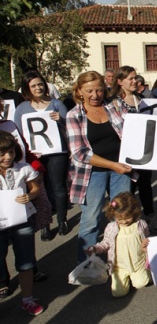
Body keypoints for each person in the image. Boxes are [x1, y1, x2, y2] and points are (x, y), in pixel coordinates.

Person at [67, 71, 133, 262]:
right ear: (79, 91)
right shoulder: (74, 115)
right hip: (91, 173)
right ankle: (87, 263)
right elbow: (79, 153)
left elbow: (135, 126)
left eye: (99, 90)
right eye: (89, 91)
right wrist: (113, 165)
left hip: (120, 170)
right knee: (91, 219)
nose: (95, 95)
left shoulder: (114, 106)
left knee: (122, 215)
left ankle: (121, 258)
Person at [15, 70, 70, 238]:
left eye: (40, 84)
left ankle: (62, 220)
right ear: (27, 88)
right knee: (40, 189)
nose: (38, 88)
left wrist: (60, 120)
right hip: (35, 155)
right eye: (33, 86)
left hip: (57, 152)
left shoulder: (56, 104)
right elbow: (18, 133)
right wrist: (28, 152)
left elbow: (70, 126)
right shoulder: (22, 108)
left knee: (58, 187)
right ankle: (45, 223)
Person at [109, 66, 157, 233]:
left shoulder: (142, 99)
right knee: (128, 188)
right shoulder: (114, 102)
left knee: (145, 185)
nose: (135, 81)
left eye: (135, 78)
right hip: (125, 152)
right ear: (119, 81)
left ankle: (149, 216)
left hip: (144, 150)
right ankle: (128, 221)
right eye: (130, 79)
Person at [0, 131, 44, 316]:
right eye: (2, 153)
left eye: (10, 152)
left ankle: (28, 299)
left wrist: (30, 195)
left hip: (21, 220)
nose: (8, 157)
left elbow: (35, 187)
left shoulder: (23, 168)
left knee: (25, 262)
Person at [86, 192, 151, 297]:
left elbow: (147, 237)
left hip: (138, 262)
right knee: (118, 293)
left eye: (127, 217)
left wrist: (146, 245)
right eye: (120, 219)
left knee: (141, 283)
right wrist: (95, 248)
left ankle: (145, 272)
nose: (124, 221)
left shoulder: (140, 224)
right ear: (113, 215)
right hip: (119, 266)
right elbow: (105, 243)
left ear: (134, 212)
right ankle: (125, 278)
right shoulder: (111, 228)